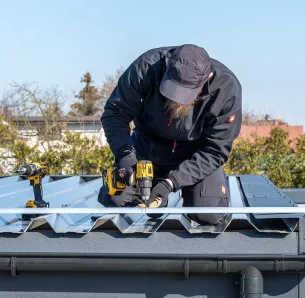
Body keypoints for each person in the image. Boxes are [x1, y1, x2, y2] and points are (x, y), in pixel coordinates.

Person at [98, 44, 242, 225]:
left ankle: (184, 187)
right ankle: (156, 193)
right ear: (166, 66)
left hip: (194, 156)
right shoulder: (147, 66)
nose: (175, 98)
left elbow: (216, 150)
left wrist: (171, 182)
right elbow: (115, 113)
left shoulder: (226, 88)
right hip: (147, 149)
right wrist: (126, 156)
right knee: (116, 201)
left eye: (184, 93)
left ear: (207, 79)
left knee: (207, 213)